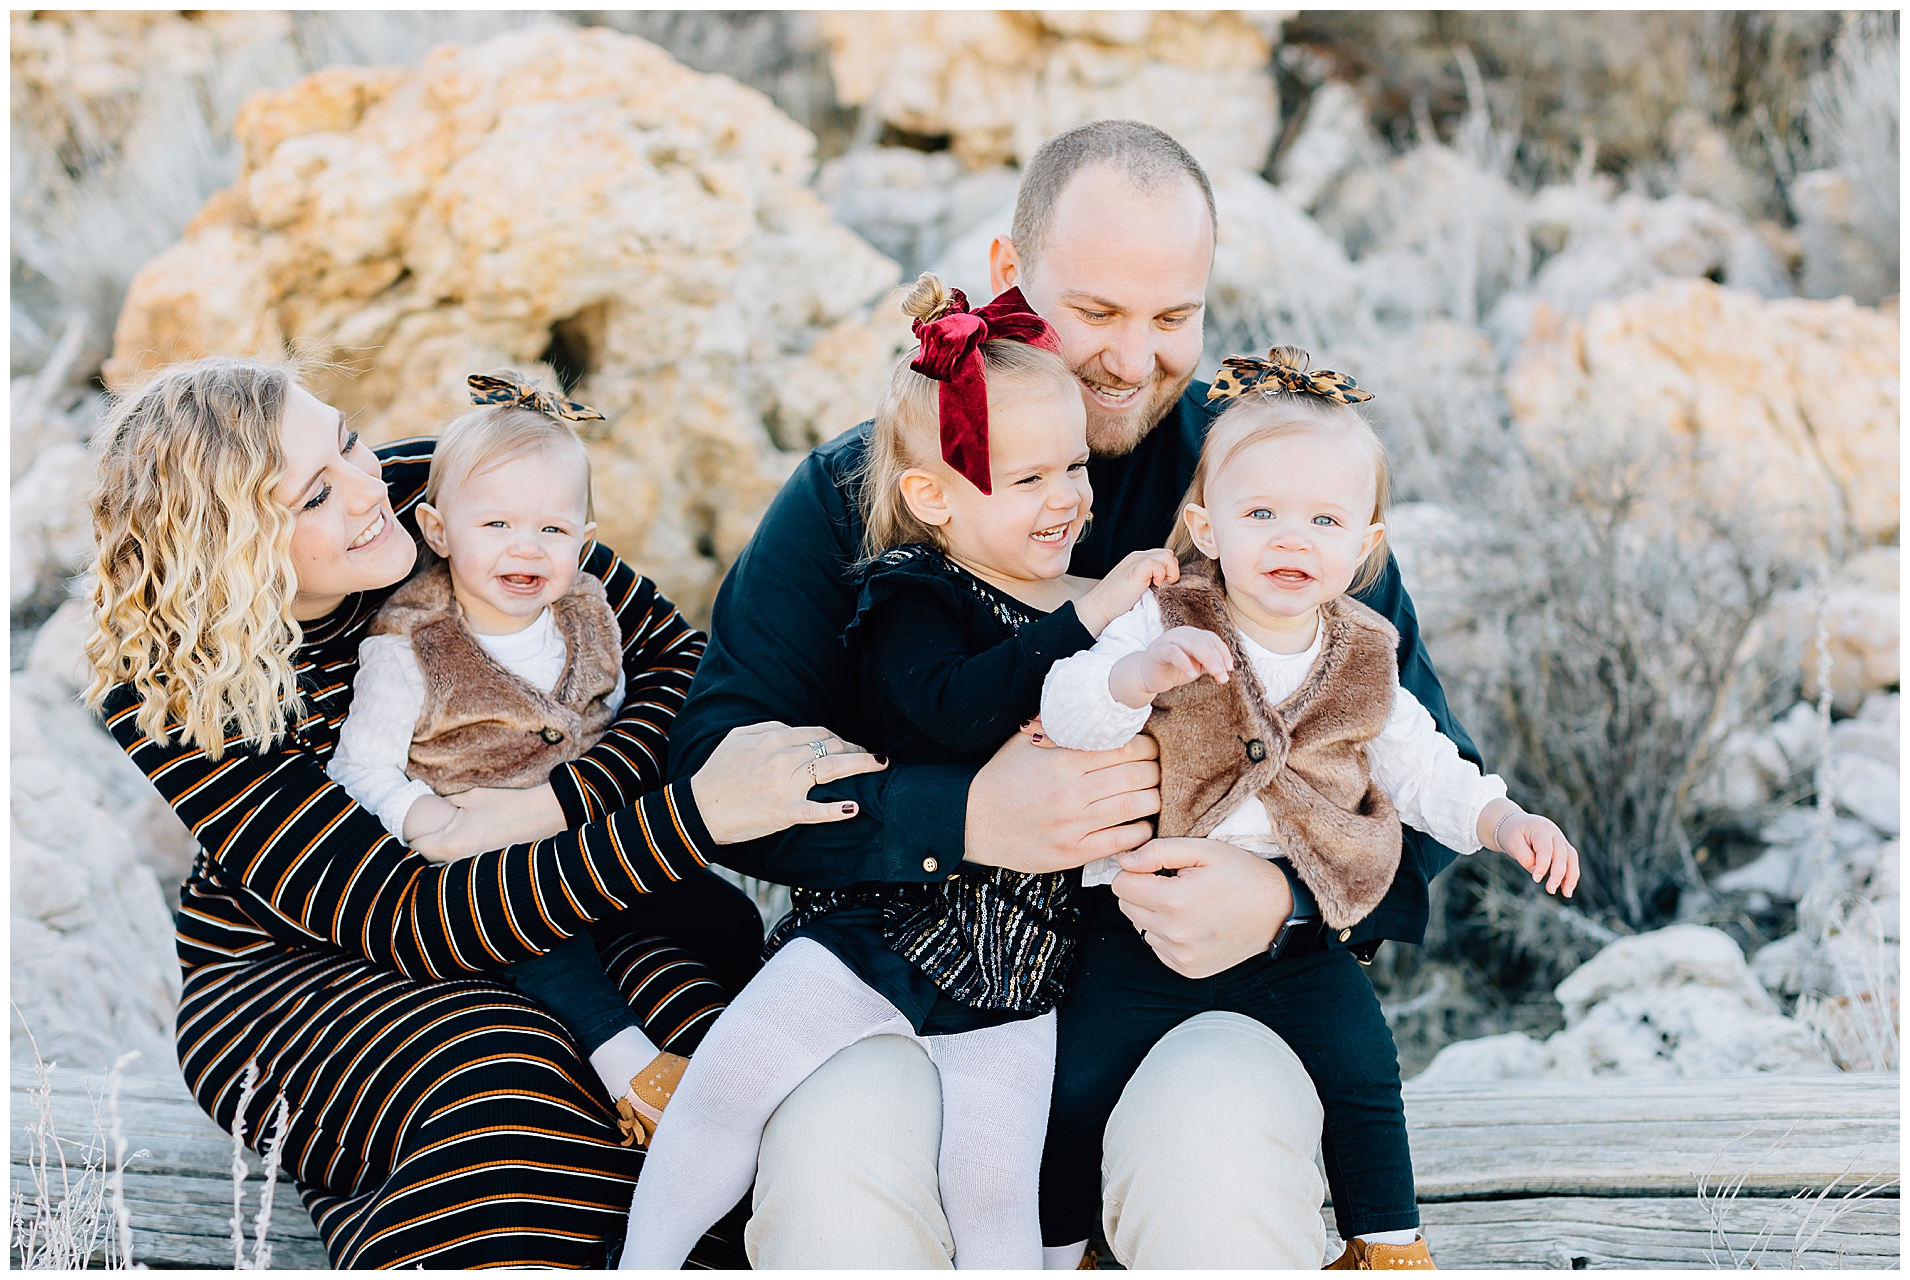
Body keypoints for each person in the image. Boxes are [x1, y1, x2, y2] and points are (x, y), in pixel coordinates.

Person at [668, 119, 1482, 1268]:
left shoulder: (1273, 491)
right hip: (912, 977)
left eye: (1172, 317)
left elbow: (1427, 772)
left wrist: (1283, 896)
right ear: (1006, 275)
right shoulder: (857, 491)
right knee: (832, 1168)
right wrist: (959, 817)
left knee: (1218, 1156)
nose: (1131, 356)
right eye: (1093, 312)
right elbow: (717, 757)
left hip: (1202, 992)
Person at [81, 357, 884, 1268]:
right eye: (313, 494)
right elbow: (413, 916)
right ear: (225, 544)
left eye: (347, 439)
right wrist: (687, 820)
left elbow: (672, 666)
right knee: (503, 1072)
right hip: (303, 966)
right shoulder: (175, 688)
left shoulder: (460, 495)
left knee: (701, 1030)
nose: (370, 487)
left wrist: (553, 801)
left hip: (563, 895)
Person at [621, 275, 1182, 1269]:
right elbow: (957, 704)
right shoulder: (910, 594)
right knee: (729, 1079)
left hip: (1016, 952)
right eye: (1028, 481)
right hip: (878, 922)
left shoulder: (1098, 592)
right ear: (932, 497)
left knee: (994, 1186)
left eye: (1074, 468)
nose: (1068, 499)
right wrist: (1088, 621)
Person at [1038, 346, 1581, 1270]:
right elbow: (1067, 705)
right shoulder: (1167, 617)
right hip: (1136, 917)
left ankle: (1387, 1247)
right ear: (1206, 528)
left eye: (1324, 519)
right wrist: (1135, 678)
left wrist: (1504, 822)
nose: (1292, 540)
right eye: (1262, 514)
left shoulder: (1365, 650)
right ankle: (1060, 1249)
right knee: (1075, 1080)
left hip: (1298, 933)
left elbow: (1424, 770)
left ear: (1366, 545)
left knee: (1364, 1069)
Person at [325, 371, 729, 1150]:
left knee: (719, 917)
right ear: (440, 532)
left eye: (551, 530)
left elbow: (620, 702)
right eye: (498, 524)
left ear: (584, 540)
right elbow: (360, 767)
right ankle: (629, 1072)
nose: (525, 548)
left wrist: (602, 787)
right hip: (483, 861)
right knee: (548, 951)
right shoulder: (410, 647)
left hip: (584, 838)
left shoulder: (585, 608)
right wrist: (425, 818)